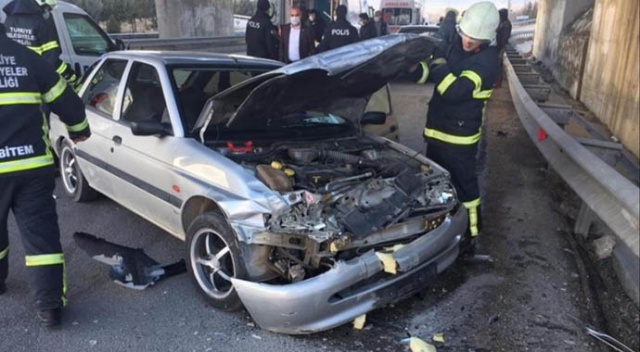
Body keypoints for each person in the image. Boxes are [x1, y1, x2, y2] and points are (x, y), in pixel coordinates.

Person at [0, 22, 91, 327]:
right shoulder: (27, 58)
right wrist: (80, 130)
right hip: (32, 168)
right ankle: (49, 307)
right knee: (41, 238)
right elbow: (66, 99)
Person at [414, 1, 500, 252]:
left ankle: (471, 235)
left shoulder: (487, 62)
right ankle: (439, 227)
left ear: (485, 40)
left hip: (460, 138)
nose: (467, 43)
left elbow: (453, 91)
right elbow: (429, 75)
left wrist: (438, 61)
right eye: (465, 36)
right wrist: (412, 66)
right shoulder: (456, 45)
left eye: (473, 40)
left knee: (466, 189)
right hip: (437, 132)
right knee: (436, 184)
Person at [3, 0, 77, 84]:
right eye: (48, 8)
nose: (48, 12)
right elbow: (51, 58)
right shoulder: (40, 23)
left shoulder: (9, 20)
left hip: (10, 78)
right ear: (41, 4)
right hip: (33, 77)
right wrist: (69, 74)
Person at [495, 8, 512, 87]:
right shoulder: (503, 23)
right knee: (498, 63)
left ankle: (498, 82)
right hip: (499, 45)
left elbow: (504, 38)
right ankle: (497, 81)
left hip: (501, 46)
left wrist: (500, 46)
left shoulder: (506, 25)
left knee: (499, 63)